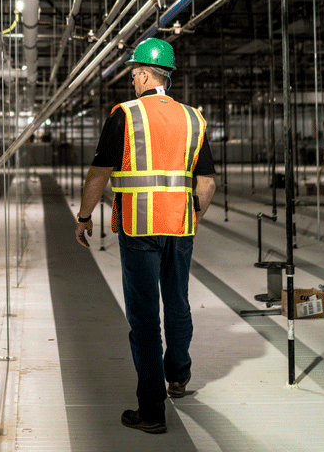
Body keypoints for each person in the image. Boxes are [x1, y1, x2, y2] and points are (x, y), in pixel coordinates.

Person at [75, 38, 216, 435]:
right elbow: (206, 182)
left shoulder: (125, 115)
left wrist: (85, 216)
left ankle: (152, 411)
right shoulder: (194, 118)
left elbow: (99, 174)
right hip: (180, 227)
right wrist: (194, 215)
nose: (133, 81)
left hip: (139, 227)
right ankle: (179, 377)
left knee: (143, 316)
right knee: (178, 302)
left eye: (134, 75)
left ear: (142, 74)